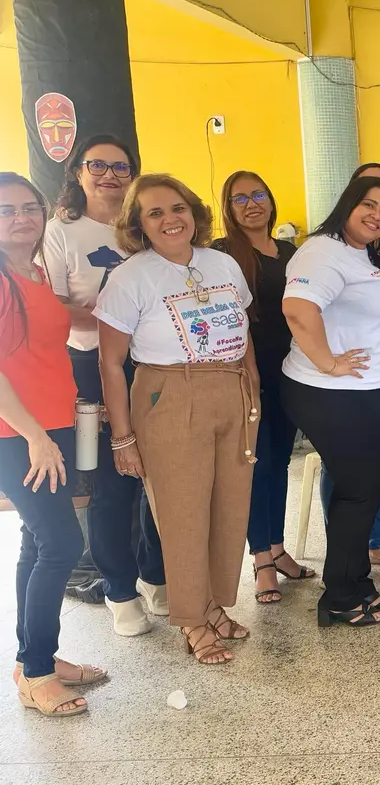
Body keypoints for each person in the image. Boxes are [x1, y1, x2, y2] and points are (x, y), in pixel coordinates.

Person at [94, 174, 259, 665]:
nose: (170, 219)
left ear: (194, 213)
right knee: (182, 513)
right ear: (139, 226)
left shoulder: (222, 263)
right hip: (169, 392)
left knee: (229, 507)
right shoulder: (130, 277)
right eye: (155, 213)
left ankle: (213, 604)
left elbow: (243, 330)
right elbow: (110, 363)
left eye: (178, 208)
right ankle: (191, 619)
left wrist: (252, 389)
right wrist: (122, 437)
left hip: (230, 389)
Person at [41, 134, 166, 635]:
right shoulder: (60, 232)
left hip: (151, 365)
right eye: (98, 165)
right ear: (78, 172)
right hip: (89, 367)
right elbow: (51, 305)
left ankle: (157, 577)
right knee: (112, 481)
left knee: (160, 475)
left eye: (121, 167)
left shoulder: (144, 228)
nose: (110, 175)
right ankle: (120, 590)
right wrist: (115, 318)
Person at [281, 175, 380, 628]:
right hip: (332, 393)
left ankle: (356, 582)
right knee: (359, 489)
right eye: (368, 205)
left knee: (367, 487)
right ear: (346, 205)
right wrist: (328, 362)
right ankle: (339, 595)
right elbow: (298, 308)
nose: (377, 215)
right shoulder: (323, 251)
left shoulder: (365, 254)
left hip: (367, 390)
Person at [1, 173, 102, 716]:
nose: (21, 218)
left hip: (52, 424)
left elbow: (41, 352)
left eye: (29, 207)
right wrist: (35, 435)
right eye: (6, 210)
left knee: (37, 541)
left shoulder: (35, 271)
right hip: (17, 433)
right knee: (61, 544)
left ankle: (33, 657)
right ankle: (37, 672)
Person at [211, 171, 315, 605]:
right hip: (246, 370)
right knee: (258, 463)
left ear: (270, 201)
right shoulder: (222, 254)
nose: (251, 204)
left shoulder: (290, 252)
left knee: (281, 463)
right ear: (228, 208)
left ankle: (278, 548)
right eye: (240, 198)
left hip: (289, 369)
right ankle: (261, 561)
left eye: (258, 195)